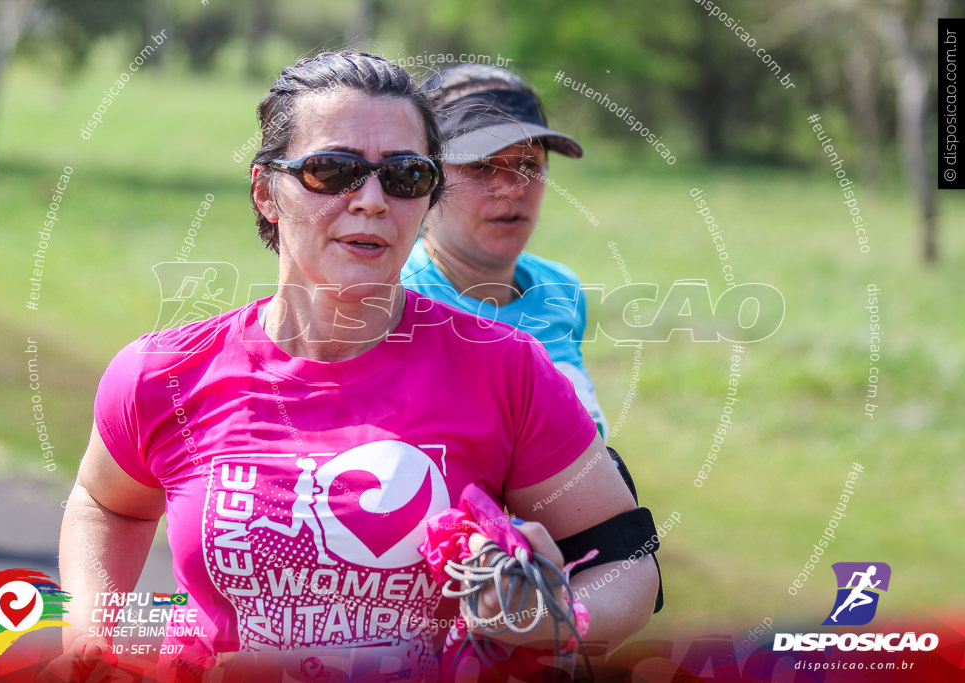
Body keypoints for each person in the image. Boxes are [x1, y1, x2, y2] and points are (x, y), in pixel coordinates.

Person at [56, 51, 659, 681]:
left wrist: (550, 617)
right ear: (266, 192)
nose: (372, 200)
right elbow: (107, 504)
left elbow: (627, 560)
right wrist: (94, 635)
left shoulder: (506, 369)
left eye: (404, 176)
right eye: (332, 170)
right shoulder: (164, 374)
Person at [401, 64, 609, 438]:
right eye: (482, 166)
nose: (514, 188)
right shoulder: (391, 304)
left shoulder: (560, 289)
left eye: (529, 163)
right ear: (427, 176)